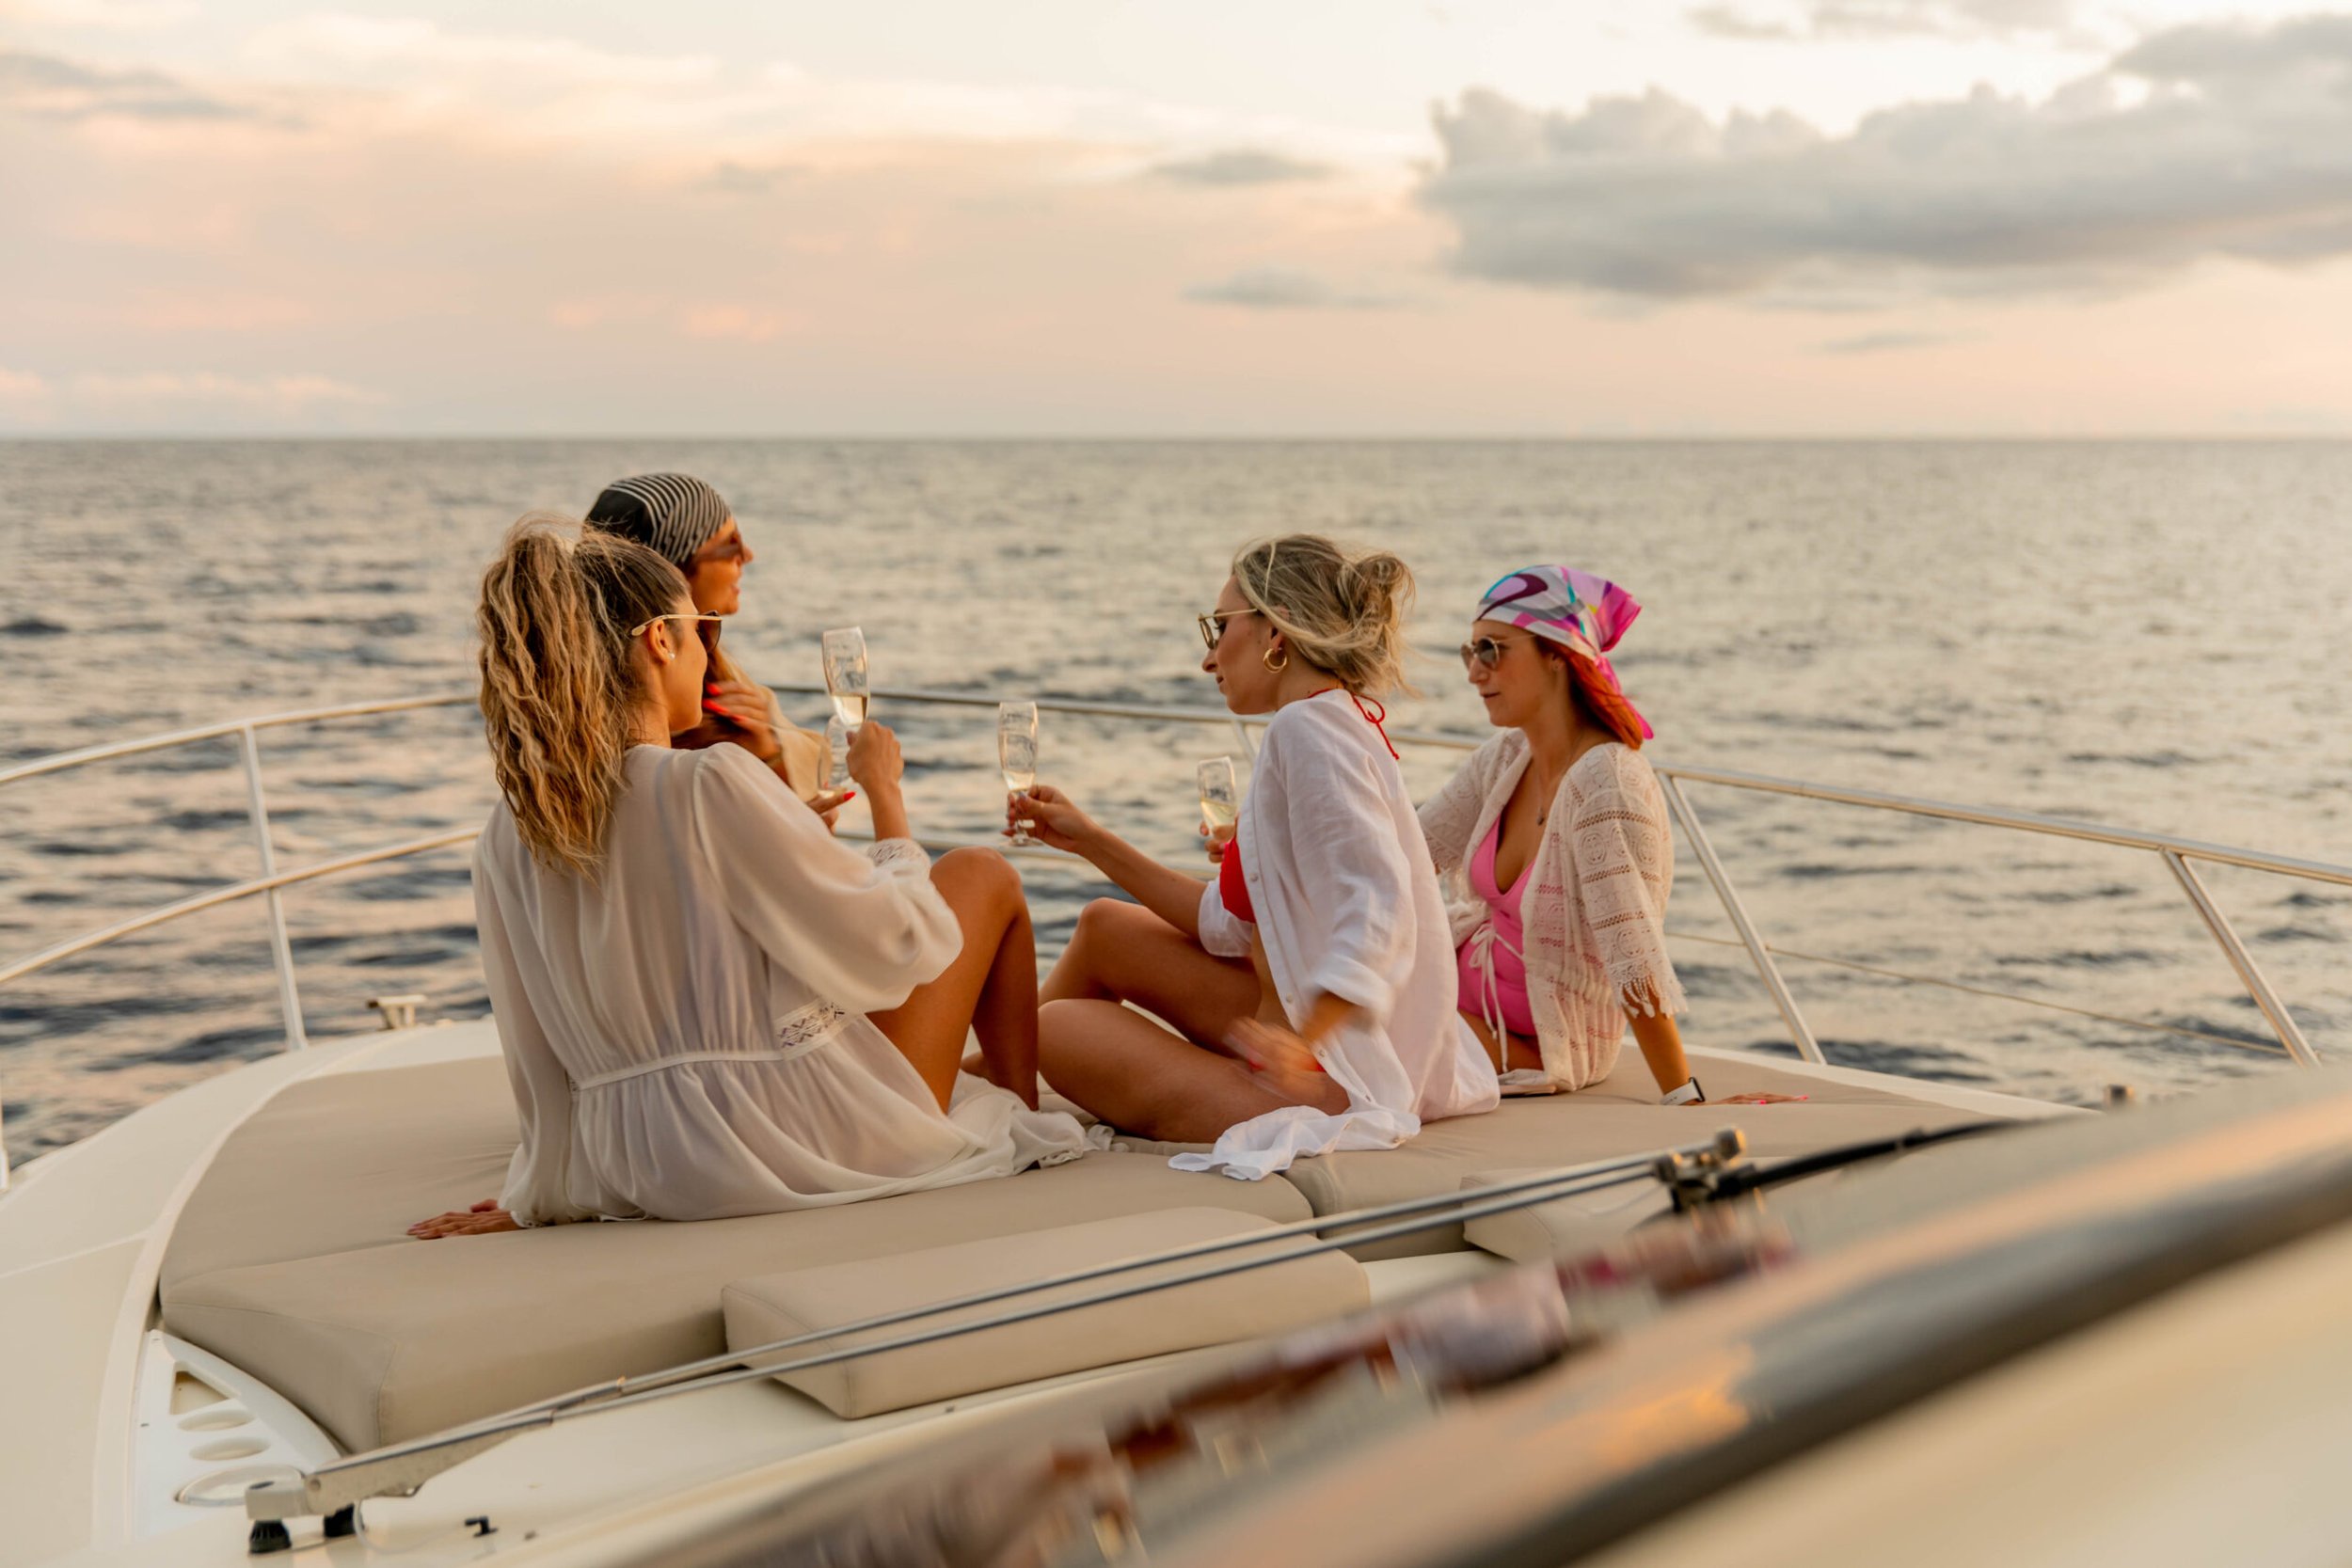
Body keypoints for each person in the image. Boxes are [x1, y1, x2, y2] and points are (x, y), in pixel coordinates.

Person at [410, 518, 1083, 1237]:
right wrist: (887, 795)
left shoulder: (507, 833)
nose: (708, 651)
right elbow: (898, 948)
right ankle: (1017, 1104)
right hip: (782, 1138)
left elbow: (536, 1057)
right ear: (659, 640)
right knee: (982, 873)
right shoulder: (708, 782)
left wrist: (539, 1194)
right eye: (702, 631)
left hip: (637, 1159)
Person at [1012, 536, 1499, 1180]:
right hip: (1296, 1036)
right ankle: (989, 1070)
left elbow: (1382, 905)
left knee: (1053, 1030)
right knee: (1105, 924)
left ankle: (988, 1074)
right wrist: (1090, 839)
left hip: (1325, 1074)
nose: (1209, 656)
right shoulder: (1321, 723)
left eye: (1219, 627)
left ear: (1276, 633)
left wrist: (1305, 1037)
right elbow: (1223, 924)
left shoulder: (1308, 733)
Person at [1419, 566, 1794, 1105]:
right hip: (1455, 1000)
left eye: (1493, 650)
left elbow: (1633, 953)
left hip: (1534, 1042)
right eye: (1470, 652)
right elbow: (1409, 853)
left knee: (1350, 1041)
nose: (1475, 672)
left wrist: (1683, 1098)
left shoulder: (1606, 782)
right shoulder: (1505, 760)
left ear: (1557, 655)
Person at [582, 472, 833, 806]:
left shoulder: (580, 697)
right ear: (675, 572)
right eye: (731, 545)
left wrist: (769, 749)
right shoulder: (682, 722)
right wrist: (768, 754)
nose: (747, 555)